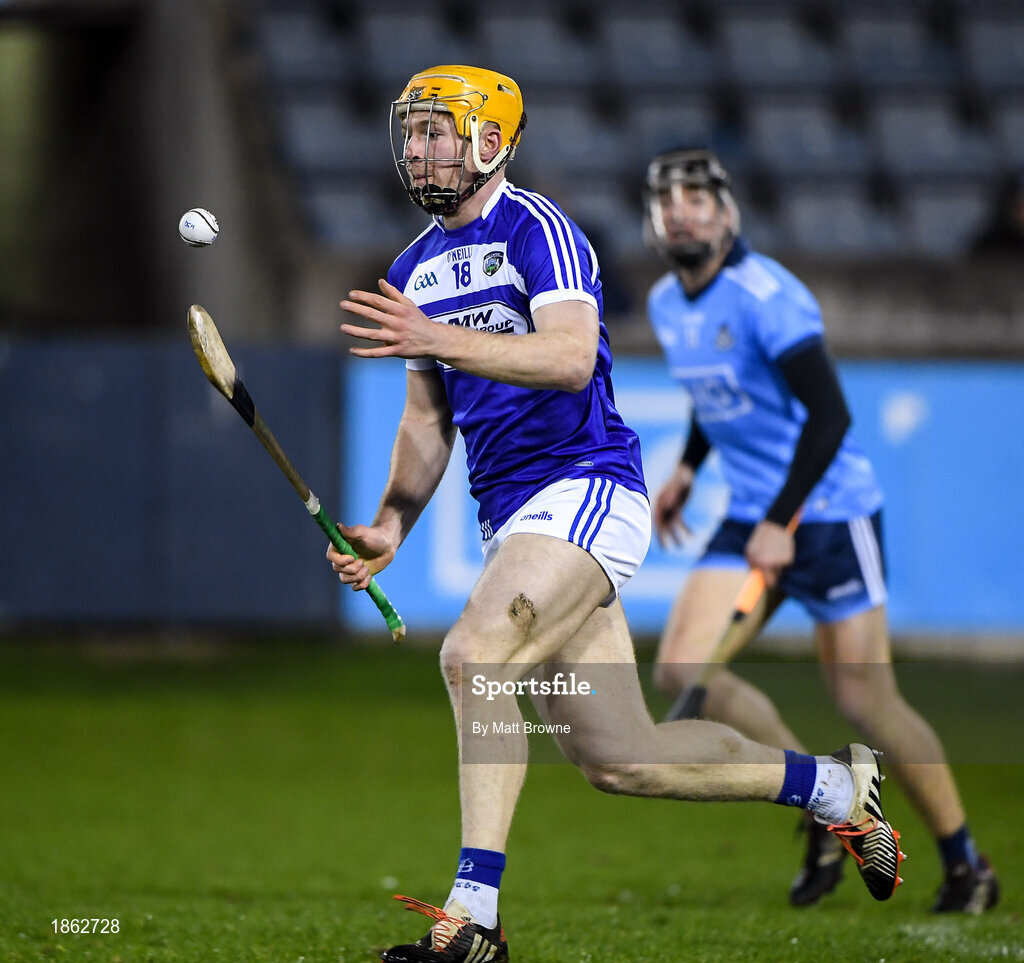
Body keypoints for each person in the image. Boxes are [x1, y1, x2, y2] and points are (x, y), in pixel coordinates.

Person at [327, 69, 904, 963]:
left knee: (474, 655)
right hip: (515, 518)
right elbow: (427, 421)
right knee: (624, 757)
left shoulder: (541, 231)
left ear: (490, 142)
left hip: (587, 487)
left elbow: (567, 356)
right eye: (411, 132)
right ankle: (833, 787)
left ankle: (474, 916)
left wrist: (434, 337)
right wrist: (392, 522)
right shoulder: (413, 269)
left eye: (437, 130)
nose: (417, 148)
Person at [643, 147, 999, 915]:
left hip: (831, 512)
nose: (682, 212)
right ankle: (826, 793)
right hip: (750, 512)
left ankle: (967, 862)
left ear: (727, 212)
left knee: (866, 700)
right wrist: (688, 470)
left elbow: (831, 416)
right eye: (668, 200)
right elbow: (717, 397)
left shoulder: (768, 296)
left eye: (697, 198)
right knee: (679, 668)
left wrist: (782, 522)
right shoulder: (668, 303)